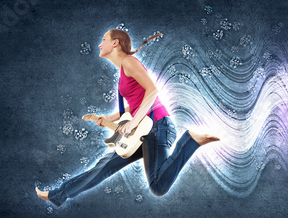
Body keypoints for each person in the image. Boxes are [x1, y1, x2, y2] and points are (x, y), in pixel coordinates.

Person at [36, 29, 219, 207]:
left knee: (158, 186)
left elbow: (153, 90)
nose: (100, 44)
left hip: (157, 127)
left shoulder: (129, 62)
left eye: (104, 40)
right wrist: (111, 117)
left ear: (115, 43)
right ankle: (58, 195)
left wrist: (133, 121)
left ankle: (189, 141)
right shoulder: (124, 69)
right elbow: (138, 102)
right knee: (103, 167)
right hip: (143, 129)